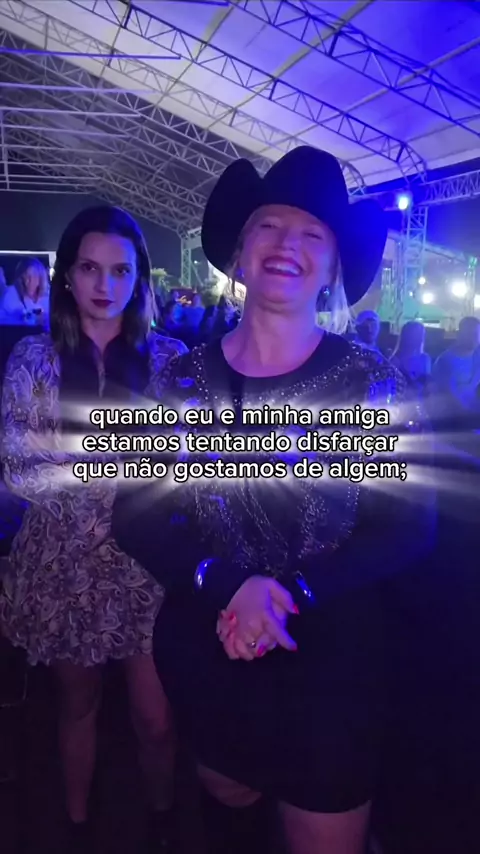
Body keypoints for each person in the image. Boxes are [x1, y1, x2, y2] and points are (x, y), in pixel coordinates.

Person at [112, 148, 437, 854]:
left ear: (332, 269)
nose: (288, 242)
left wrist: (289, 594)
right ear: (239, 250)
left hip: (332, 667)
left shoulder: (371, 382)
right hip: (214, 648)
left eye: (313, 234)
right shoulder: (179, 382)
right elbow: (135, 512)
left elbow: (411, 526)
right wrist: (231, 586)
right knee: (228, 819)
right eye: (269, 225)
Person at [0, 206, 187, 852]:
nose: (105, 285)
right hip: (61, 562)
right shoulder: (34, 357)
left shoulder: (169, 359)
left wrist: (69, 455)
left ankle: (163, 823)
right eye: (89, 268)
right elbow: (18, 469)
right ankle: (77, 826)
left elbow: (180, 464)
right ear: (67, 276)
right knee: (75, 707)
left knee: (156, 719)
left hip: (145, 563)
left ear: (139, 278)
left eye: (120, 271)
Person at [432, 316, 480, 430]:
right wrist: (471, 417)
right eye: (469, 334)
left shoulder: (477, 356)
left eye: (476, 334)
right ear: (459, 334)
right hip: (453, 421)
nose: (473, 338)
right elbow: (449, 397)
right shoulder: (446, 360)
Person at [1, 256, 50, 321]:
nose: (27, 281)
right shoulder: (11, 294)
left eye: (32, 276)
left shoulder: (48, 297)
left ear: (41, 279)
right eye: (25, 277)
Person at [391, 321, 431, 396]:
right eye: (416, 333)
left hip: (420, 399)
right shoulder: (395, 360)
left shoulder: (425, 359)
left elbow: (427, 384)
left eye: (421, 334)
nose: (419, 337)